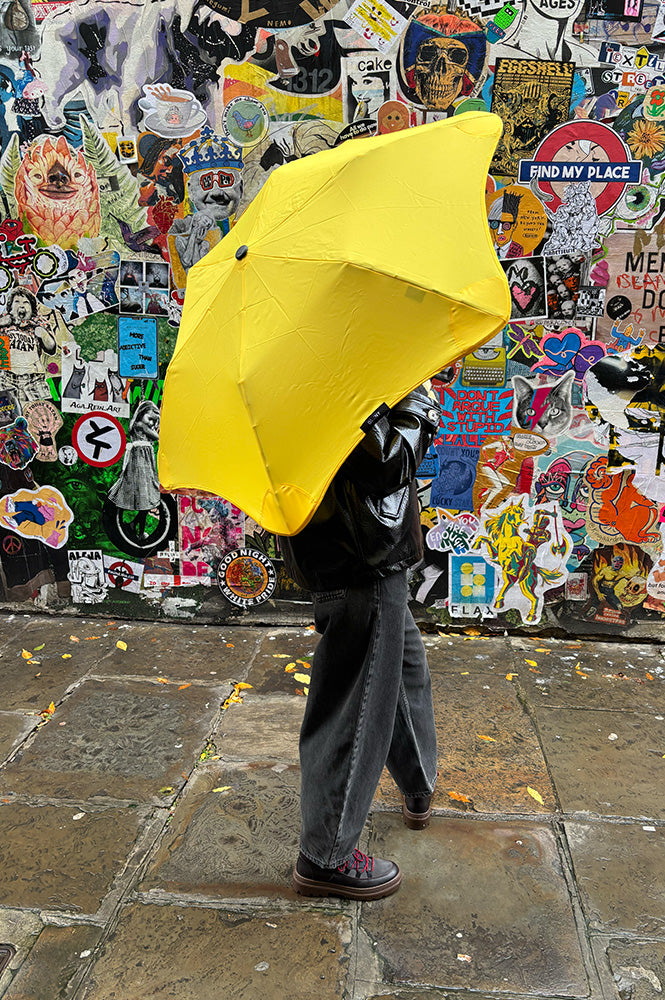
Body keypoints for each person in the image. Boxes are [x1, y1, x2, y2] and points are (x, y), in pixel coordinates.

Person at [278, 382, 442, 901]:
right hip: (358, 554)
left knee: (401, 667)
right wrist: (420, 403)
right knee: (354, 705)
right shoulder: (336, 370)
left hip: (353, 546)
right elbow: (386, 463)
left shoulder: (298, 367)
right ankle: (326, 855)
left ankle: (417, 785)